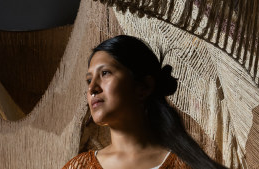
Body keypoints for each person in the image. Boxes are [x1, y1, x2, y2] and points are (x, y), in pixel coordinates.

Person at [62, 35, 227, 169]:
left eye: (105, 73)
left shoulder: (185, 165)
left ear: (144, 87)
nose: (92, 88)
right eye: (89, 80)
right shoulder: (79, 167)